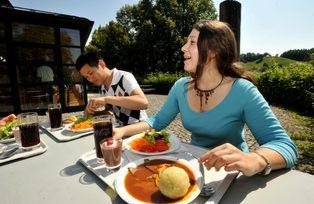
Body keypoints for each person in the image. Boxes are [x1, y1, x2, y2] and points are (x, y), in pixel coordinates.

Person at [113, 20, 298, 176]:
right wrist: (121, 132)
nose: (183, 48)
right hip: (194, 164)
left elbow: (285, 145)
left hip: (232, 174)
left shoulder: (243, 90)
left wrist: (257, 159)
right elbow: (157, 120)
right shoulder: (180, 87)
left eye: (192, 42)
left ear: (212, 51)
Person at [75, 52, 148, 125]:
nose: (90, 79)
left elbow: (143, 102)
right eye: (87, 77)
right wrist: (92, 112)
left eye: (91, 73)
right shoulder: (102, 86)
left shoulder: (124, 77)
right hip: (119, 129)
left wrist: (107, 99)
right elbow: (111, 112)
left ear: (101, 64)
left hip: (139, 128)